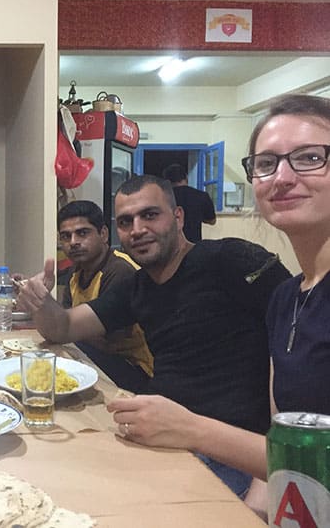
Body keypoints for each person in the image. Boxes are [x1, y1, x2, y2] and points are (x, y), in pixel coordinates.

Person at [106, 94, 330, 511]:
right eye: (266, 164)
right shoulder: (287, 298)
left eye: (309, 157)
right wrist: (253, 513)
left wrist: (191, 428)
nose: (282, 177)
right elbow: (279, 442)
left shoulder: (233, 263)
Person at [19, 174, 291, 498]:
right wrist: (41, 302)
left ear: (178, 218)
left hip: (229, 451)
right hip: (158, 436)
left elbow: (294, 342)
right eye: (125, 221)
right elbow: (63, 328)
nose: (137, 229)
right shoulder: (136, 287)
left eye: (150, 215)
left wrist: (269, 477)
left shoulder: (229, 259)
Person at [56, 200, 153, 392]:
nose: (73, 242)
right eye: (66, 236)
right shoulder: (76, 270)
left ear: (103, 234)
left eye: (82, 233)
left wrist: (64, 323)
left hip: (135, 370)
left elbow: (107, 343)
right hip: (97, 355)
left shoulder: (120, 271)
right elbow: (67, 321)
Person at [162, 163, 216, 242]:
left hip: (170, 244)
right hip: (193, 244)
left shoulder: (163, 197)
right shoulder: (201, 196)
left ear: (167, 181)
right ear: (186, 177)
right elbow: (212, 221)